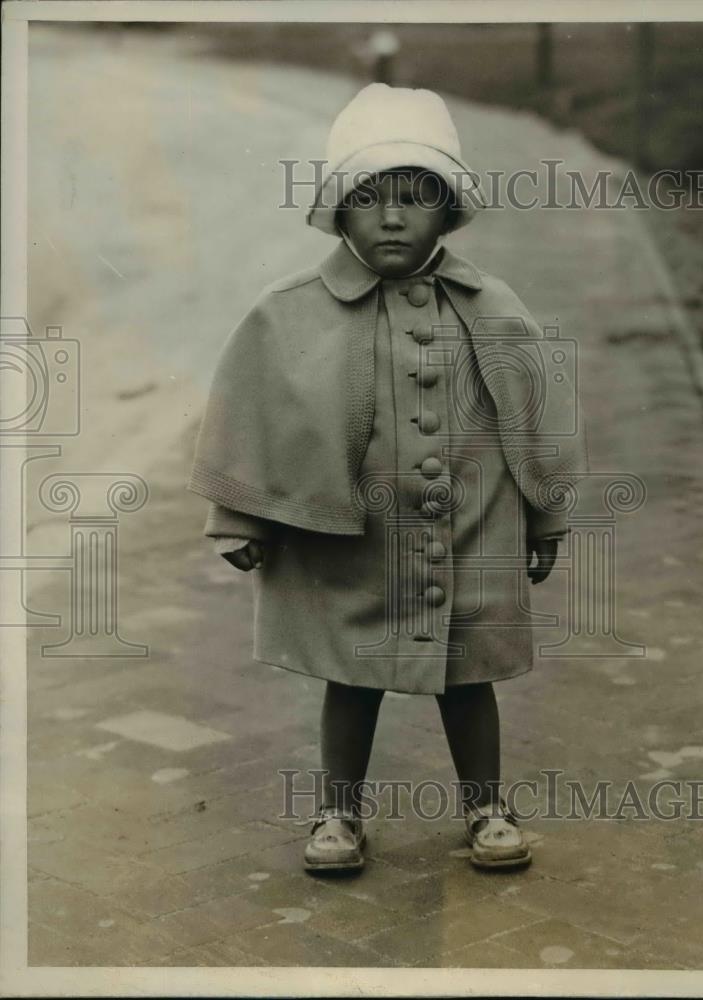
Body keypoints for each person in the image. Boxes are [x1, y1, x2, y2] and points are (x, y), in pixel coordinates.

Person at [187, 83, 587, 874]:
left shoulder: (492, 306)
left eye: (415, 197)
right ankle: (338, 815)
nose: (393, 217)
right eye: (369, 199)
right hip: (355, 541)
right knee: (352, 677)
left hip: (470, 532)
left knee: (469, 677)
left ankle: (486, 806)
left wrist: (543, 521)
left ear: (448, 210)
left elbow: (532, 416)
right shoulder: (290, 311)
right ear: (338, 210)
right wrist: (240, 518)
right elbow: (254, 413)